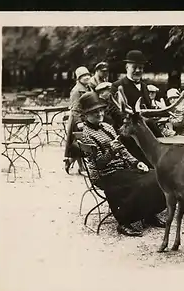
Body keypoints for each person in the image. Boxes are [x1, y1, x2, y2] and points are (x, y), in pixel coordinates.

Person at [78, 91, 167, 237]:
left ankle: (149, 214)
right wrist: (111, 152)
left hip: (121, 168)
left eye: (101, 110)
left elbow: (123, 149)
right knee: (142, 184)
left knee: (156, 176)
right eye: (94, 112)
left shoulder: (107, 126)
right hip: (105, 174)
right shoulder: (87, 135)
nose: (99, 113)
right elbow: (99, 164)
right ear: (85, 115)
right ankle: (124, 222)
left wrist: (136, 162)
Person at [111, 50, 163, 166]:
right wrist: (128, 117)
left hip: (146, 127)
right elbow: (113, 110)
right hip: (128, 130)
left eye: (141, 67)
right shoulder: (117, 86)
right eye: (135, 67)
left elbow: (148, 107)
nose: (138, 70)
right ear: (127, 67)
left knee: (160, 144)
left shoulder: (144, 86)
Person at [63, 66, 92, 174]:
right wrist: (79, 122)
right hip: (77, 119)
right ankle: (81, 167)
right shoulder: (76, 91)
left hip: (86, 118)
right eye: (83, 76)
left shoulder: (88, 88)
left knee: (82, 142)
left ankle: (70, 161)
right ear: (78, 78)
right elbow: (75, 109)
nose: (86, 77)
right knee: (79, 142)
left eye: (88, 75)